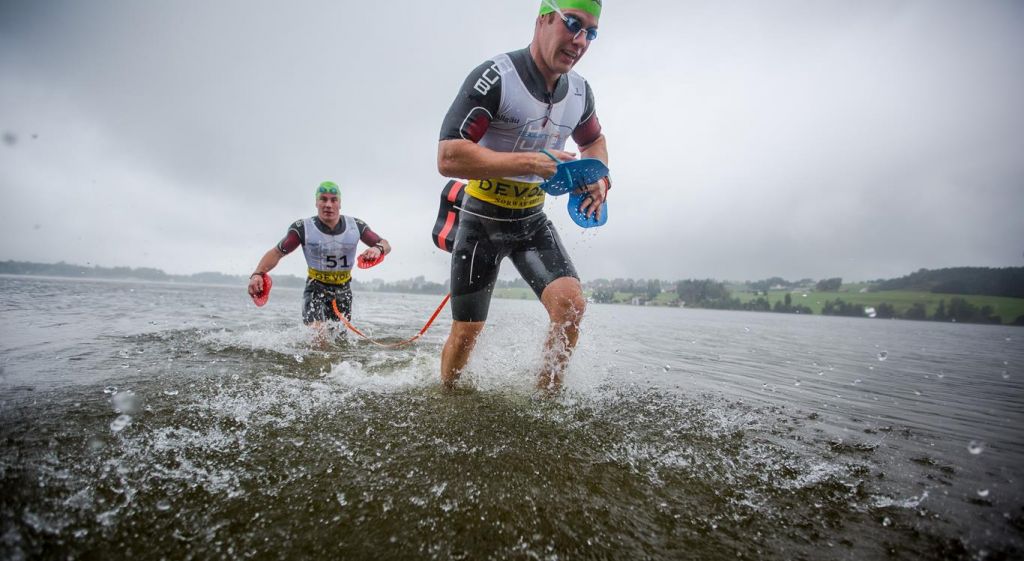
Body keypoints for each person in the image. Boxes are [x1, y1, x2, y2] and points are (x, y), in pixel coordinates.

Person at [436, 0, 611, 391]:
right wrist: (531, 162)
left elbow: (594, 140)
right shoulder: (496, 76)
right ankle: (447, 400)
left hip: (530, 220)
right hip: (481, 218)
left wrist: (600, 177)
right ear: (544, 18)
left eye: (591, 32)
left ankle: (546, 403)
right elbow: (448, 156)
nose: (580, 40)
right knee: (467, 333)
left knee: (571, 308)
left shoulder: (581, 92)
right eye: (572, 24)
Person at [247, 181, 391, 330]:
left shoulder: (355, 226)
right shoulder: (302, 228)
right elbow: (276, 253)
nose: (328, 204)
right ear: (316, 202)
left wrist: (378, 249)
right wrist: (257, 273)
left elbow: (385, 244)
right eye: (323, 199)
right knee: (318, 335)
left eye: (333, 200)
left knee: (339, 343)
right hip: (315, 289)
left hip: (343, 291)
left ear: (339, 204)